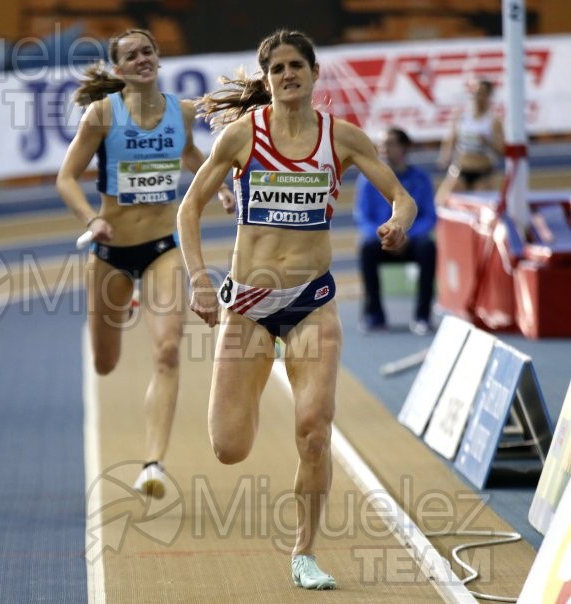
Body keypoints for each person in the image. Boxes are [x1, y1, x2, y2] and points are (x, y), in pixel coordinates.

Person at [177, 30, 417, 589]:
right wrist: (198, 281)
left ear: (313, 73)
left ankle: (304, 552)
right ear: (267, 80)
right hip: (249, 307)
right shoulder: (242, 138)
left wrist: (399, 221)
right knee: (230, 447)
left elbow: (401, 197)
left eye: (296, 65)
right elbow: (189, 209)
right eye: (278, 68)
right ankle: (250, 388)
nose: (288, 75)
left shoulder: (344, 139)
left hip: (312, 303)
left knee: (314, 430)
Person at [55, 28, 234, 499]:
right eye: (131, 55)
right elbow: (66, 178)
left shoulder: (182, 112)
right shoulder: (102, 115)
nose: (142, 60)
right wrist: (92, 219)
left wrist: (219, 186)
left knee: (168, 350)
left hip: (162, 248)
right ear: (118, 70)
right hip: (111, 253)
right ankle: (125, 303)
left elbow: (193, 154)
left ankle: (153, 464)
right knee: (105, 361)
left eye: (148, 51)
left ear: (157, 58)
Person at [354, 127, 437, 335]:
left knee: (428, 247)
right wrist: (386, 235)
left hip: (411, 241)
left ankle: (423, 317)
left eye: (389, 144)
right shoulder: (366, 180)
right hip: (381, 241)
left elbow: (429, 216)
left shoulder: (421, 179)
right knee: (366, 247)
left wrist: (405, 235)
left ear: (404, 148)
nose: (383, 148)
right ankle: (375, 315)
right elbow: (363, 217)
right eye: (381, 144)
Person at [436, 77, 504, 205]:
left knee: (481, 207)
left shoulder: (493, 121)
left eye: (482, 92)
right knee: (441, 202)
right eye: (475, 92)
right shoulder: (462, 117)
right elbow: (451, 138)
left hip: (483, 172)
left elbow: (501, 150)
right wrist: (445, 157)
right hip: (461, 169)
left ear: (488, 95)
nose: (477, 96)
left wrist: (487, 143)